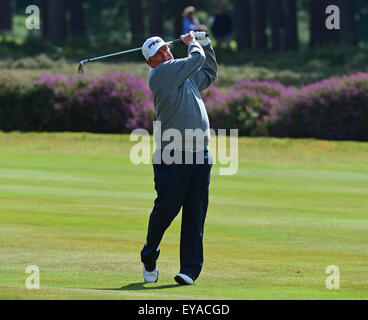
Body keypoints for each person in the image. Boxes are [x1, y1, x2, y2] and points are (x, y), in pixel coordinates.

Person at [140, 31, 218, 285]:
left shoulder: (181, 72)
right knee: (166, 211)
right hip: (172, 156)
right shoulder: (161, 74)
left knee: (195, 214)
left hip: (200, 156)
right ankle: (149, 254)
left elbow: (208, 73)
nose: (164, 54)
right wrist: (194, 43)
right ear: (150, 62)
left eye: (165, 49)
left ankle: (189, 270)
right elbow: (196, 60)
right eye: (158, 54)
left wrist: (206, 44)